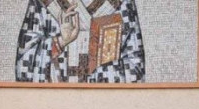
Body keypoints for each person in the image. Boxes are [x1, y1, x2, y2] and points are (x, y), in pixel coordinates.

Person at [15, 0, 146, 84]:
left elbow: (135, 70)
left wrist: (98, 67)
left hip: (102, 106)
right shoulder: (44, 3)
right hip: (56, 104)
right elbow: (24, 69)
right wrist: (60, 42)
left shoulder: (121, 4)